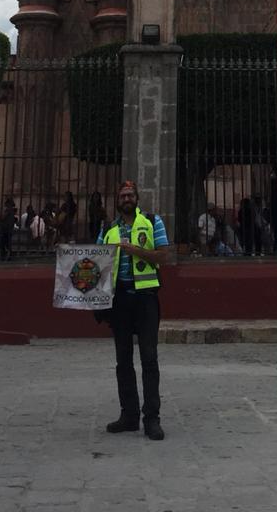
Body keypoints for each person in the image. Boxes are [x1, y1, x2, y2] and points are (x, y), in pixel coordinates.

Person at [101, 179, 170, 441]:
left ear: (137, 199)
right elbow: (95, 259)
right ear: (118, 201)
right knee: (123, 360)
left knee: (149, 359)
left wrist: (135, 250)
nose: (126, 198)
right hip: (119, 301)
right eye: (122, 195)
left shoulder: (152, 222)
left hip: (146, 298)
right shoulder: (108, 228)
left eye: (130, 194)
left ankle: (152, 418)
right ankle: (129, 415)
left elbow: (164, 256)